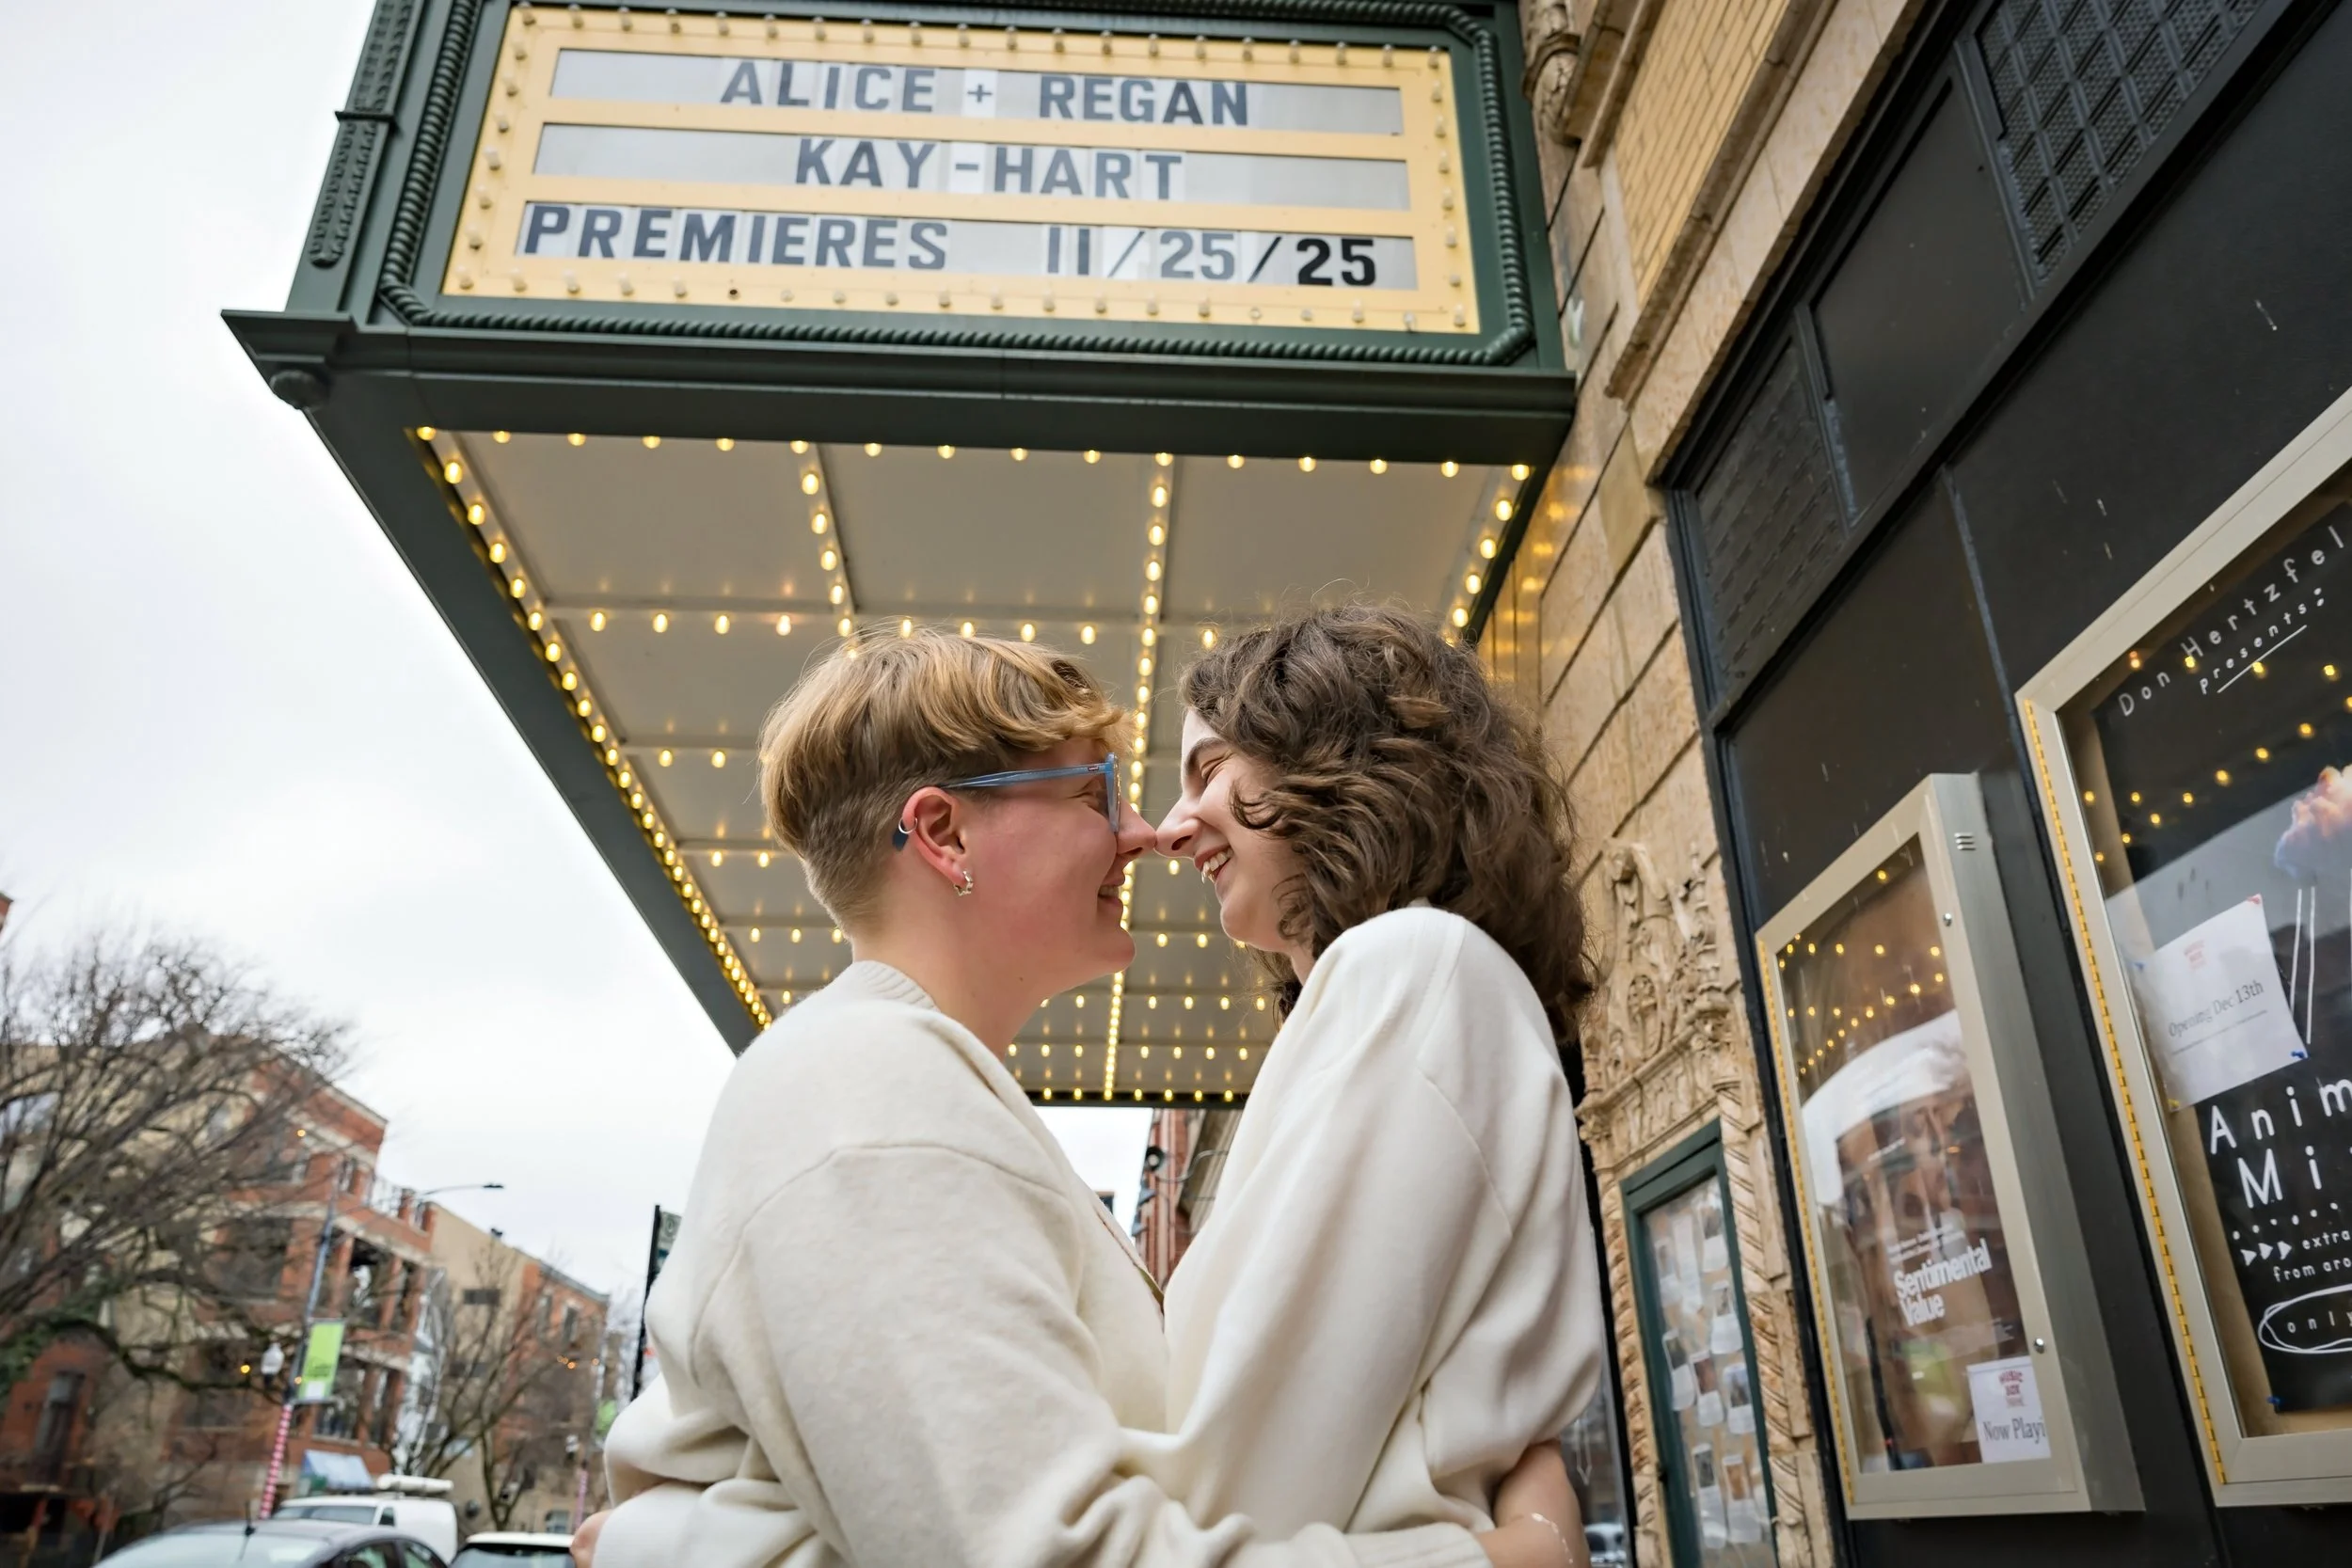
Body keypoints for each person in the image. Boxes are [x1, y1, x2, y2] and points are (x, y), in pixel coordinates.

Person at [579, 628, 1577, 1568]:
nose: (1147, 831)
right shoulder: (864, 1099)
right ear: (941, 833)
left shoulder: (911, 1092)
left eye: (1199, 772)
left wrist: (671, 1542)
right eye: (1096, 792)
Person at [1136, 604, 1604, 1548]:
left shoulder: (1412, 968)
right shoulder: (1421, 981)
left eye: (1209, 771)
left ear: (1326, 757)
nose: (1171, 825)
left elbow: (1240, 1474)